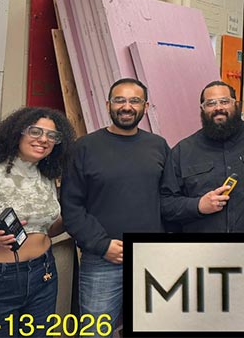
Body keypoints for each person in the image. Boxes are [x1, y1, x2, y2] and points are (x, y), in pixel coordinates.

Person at [60, 78, 170, 335]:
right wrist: (102, 245)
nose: (127, 106)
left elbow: (169, 200)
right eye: (120, 100)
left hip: (151, 258)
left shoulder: (159, 146)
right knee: (96, 332)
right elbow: (71, 205)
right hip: (102, 260)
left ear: (145, 106)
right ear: (108, 104)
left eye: (134, 100)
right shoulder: (84, 147)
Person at [0, 107, 74, 335]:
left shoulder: (45, 177)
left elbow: (44, 229)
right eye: (35, 131)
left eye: (51, 136)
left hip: (43, 274)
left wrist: (77, 217)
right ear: (17, 132)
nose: (43, 140)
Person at [161, 81, 244, 233]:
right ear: (202, 109)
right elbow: (166, 203)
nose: (218, 108)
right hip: (205, 252)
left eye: (224, 101)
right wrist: (198, 205)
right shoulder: (182, 151)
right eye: (210, 103)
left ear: (236, 104)